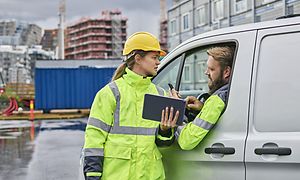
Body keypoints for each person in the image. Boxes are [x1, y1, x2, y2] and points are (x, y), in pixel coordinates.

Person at [82, 31, 178, 180]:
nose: (158, 62)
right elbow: (94, 138)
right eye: (154, 57)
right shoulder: (111, 93)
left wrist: (165, 130)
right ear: (138, 59)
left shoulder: (161, 95)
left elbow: (163, 143)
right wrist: (93, 176)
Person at [165, 45, 234, 150]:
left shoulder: (217, 100)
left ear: (226, 72)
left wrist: (178, 111)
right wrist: (203, 108)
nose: (206, 72)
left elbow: (186, 141)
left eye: (211, 69)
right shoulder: (230, 91)